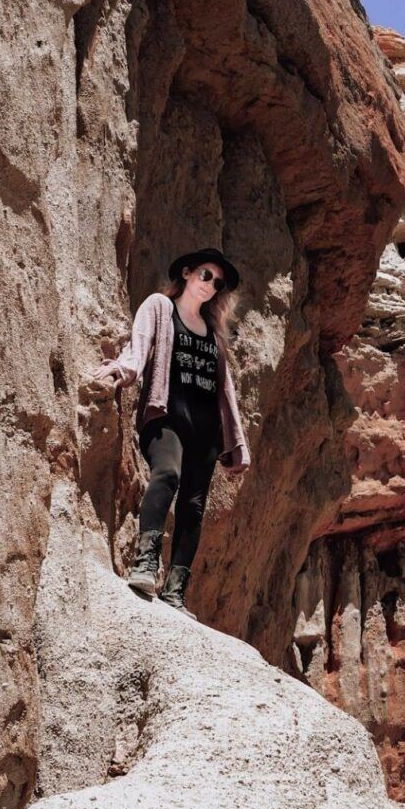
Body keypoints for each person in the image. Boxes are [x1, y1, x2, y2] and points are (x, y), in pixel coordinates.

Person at [91, 247, 250, 620]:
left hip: (206, 431)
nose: (210, 286)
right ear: (187, 273)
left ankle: (176, 592)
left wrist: (236, 444)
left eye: (218, 283)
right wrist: (122, 371)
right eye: (205, 276)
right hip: (166, 415)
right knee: (167, 474)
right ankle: (145, 563)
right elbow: (139, 346)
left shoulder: (213, 335)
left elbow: (224, 393)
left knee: (193, 509)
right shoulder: (159, 308)